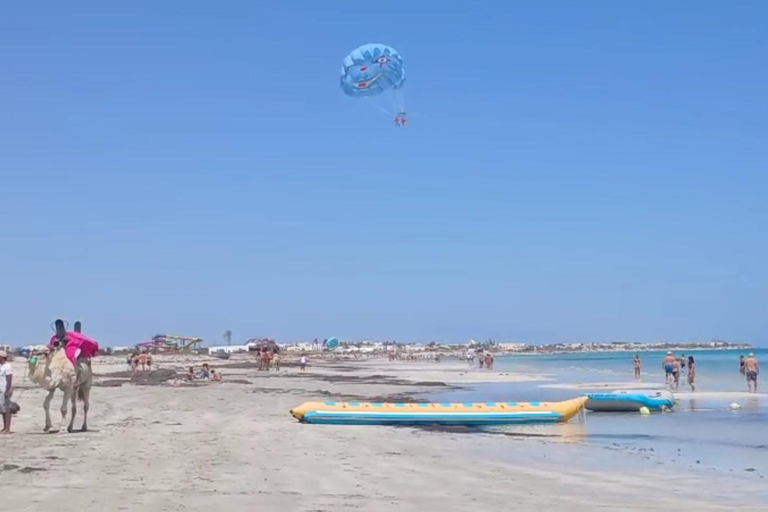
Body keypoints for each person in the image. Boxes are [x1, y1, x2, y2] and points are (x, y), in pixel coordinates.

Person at [0, 350, 13, 434]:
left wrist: (7, 390)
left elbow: (9, 379)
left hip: (4, 389)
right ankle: (4, 427)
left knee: (7, 409)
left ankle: (7, 428)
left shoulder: (7, 366)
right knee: (2, 410)